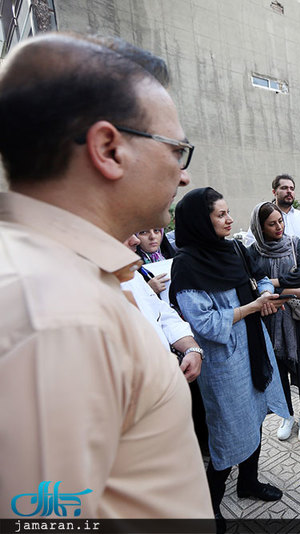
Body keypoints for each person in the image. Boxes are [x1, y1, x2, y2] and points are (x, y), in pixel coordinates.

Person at [0, 33, 211, 517]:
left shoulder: (66, 279)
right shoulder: (57, 318)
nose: (183, 175)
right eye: (177, 150)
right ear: (109, 149)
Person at [170, 187, 290, 529]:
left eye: (228, 212)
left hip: (254, 346)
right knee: (227, 431)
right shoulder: (187, 265)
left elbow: (262, 277)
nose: (230, 219)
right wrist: (253, 307)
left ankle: (248, 483)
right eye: (220, 215)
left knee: (255, 416)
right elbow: (205, 323)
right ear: (200, 221)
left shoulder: (234, 249)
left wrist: (265, 295)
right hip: (223, 362)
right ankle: (209, 506)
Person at [248, 202, 300, 443]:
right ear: (260, 227)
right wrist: (292, 291)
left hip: (299, 317)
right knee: (278, 370)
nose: (279, 227)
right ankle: (287, 415)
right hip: (270, 317)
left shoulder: (295, 243)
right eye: (272, 224)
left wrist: (273, 283)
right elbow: (253, 285)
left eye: (280, 221)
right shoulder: (253, 252)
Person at [121, 233, 202, 383]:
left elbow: (161, 313)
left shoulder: (132, 276)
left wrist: (192, 349)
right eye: (123, 233)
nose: (136, 241)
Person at [244, 174, 300, 250]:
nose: (289, 191)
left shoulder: (299, 215)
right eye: (284, 188)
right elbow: (250, 243)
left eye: (292, 189)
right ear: (274, 192)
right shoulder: (264, 214)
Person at [135, 227, 175, 293]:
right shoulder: (130, 268)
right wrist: (147, 290)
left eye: (156, 230)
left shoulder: (173, 257)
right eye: (143, 232)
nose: (152, 237)